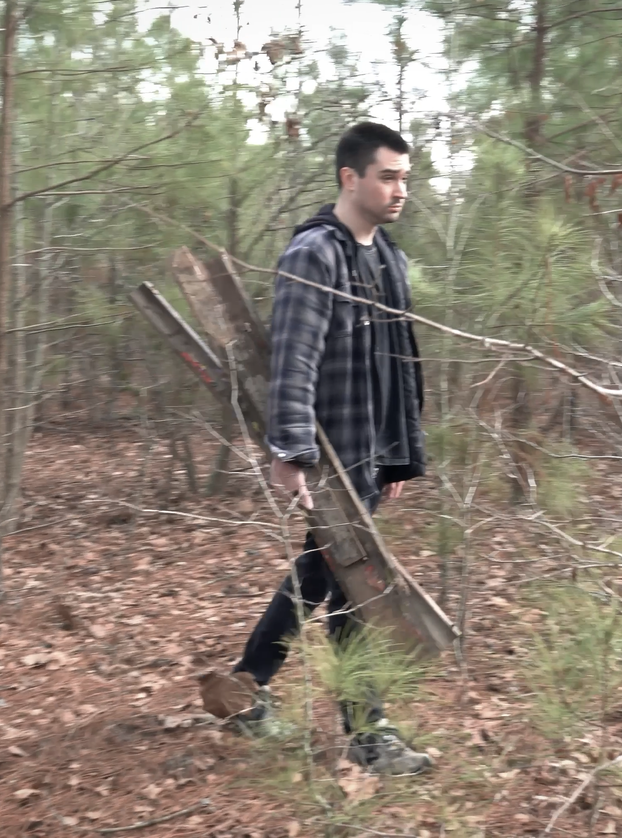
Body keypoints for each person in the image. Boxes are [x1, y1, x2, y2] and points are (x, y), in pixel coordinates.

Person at [229, 122, 432, 776]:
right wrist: (291, 452)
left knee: (324, 574)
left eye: (405, 177)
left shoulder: (389, 258)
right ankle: (366, 734)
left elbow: (398, 363)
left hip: (370, 451)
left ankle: (246, 688)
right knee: (352, 583)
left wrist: (397, 453)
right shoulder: (314, 254)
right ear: (350, 177)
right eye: (388, 176)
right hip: (327, 454)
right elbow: (294, 360)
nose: (400, 189)